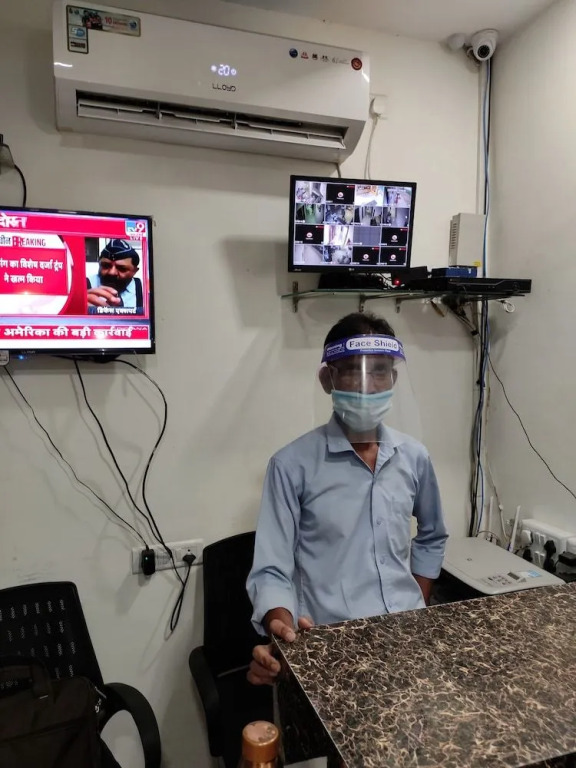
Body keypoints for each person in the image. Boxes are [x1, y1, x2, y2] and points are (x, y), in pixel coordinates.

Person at [246, 312, 448, 686]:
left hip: (409, 637)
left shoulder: (413, 456)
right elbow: (272, 568)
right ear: (328, 379)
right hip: (331, 644)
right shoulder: (291, 465)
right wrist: (282, 627)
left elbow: (433, 535)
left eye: (380, 371)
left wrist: (415, 599)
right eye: (354, 370)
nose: (368, 385)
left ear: (394, 379)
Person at [86, 239, 143, 311]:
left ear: (134, 271)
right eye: (106, 266)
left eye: (122, 268)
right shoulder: (84, 285)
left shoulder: (143, 290)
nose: (112, 272)